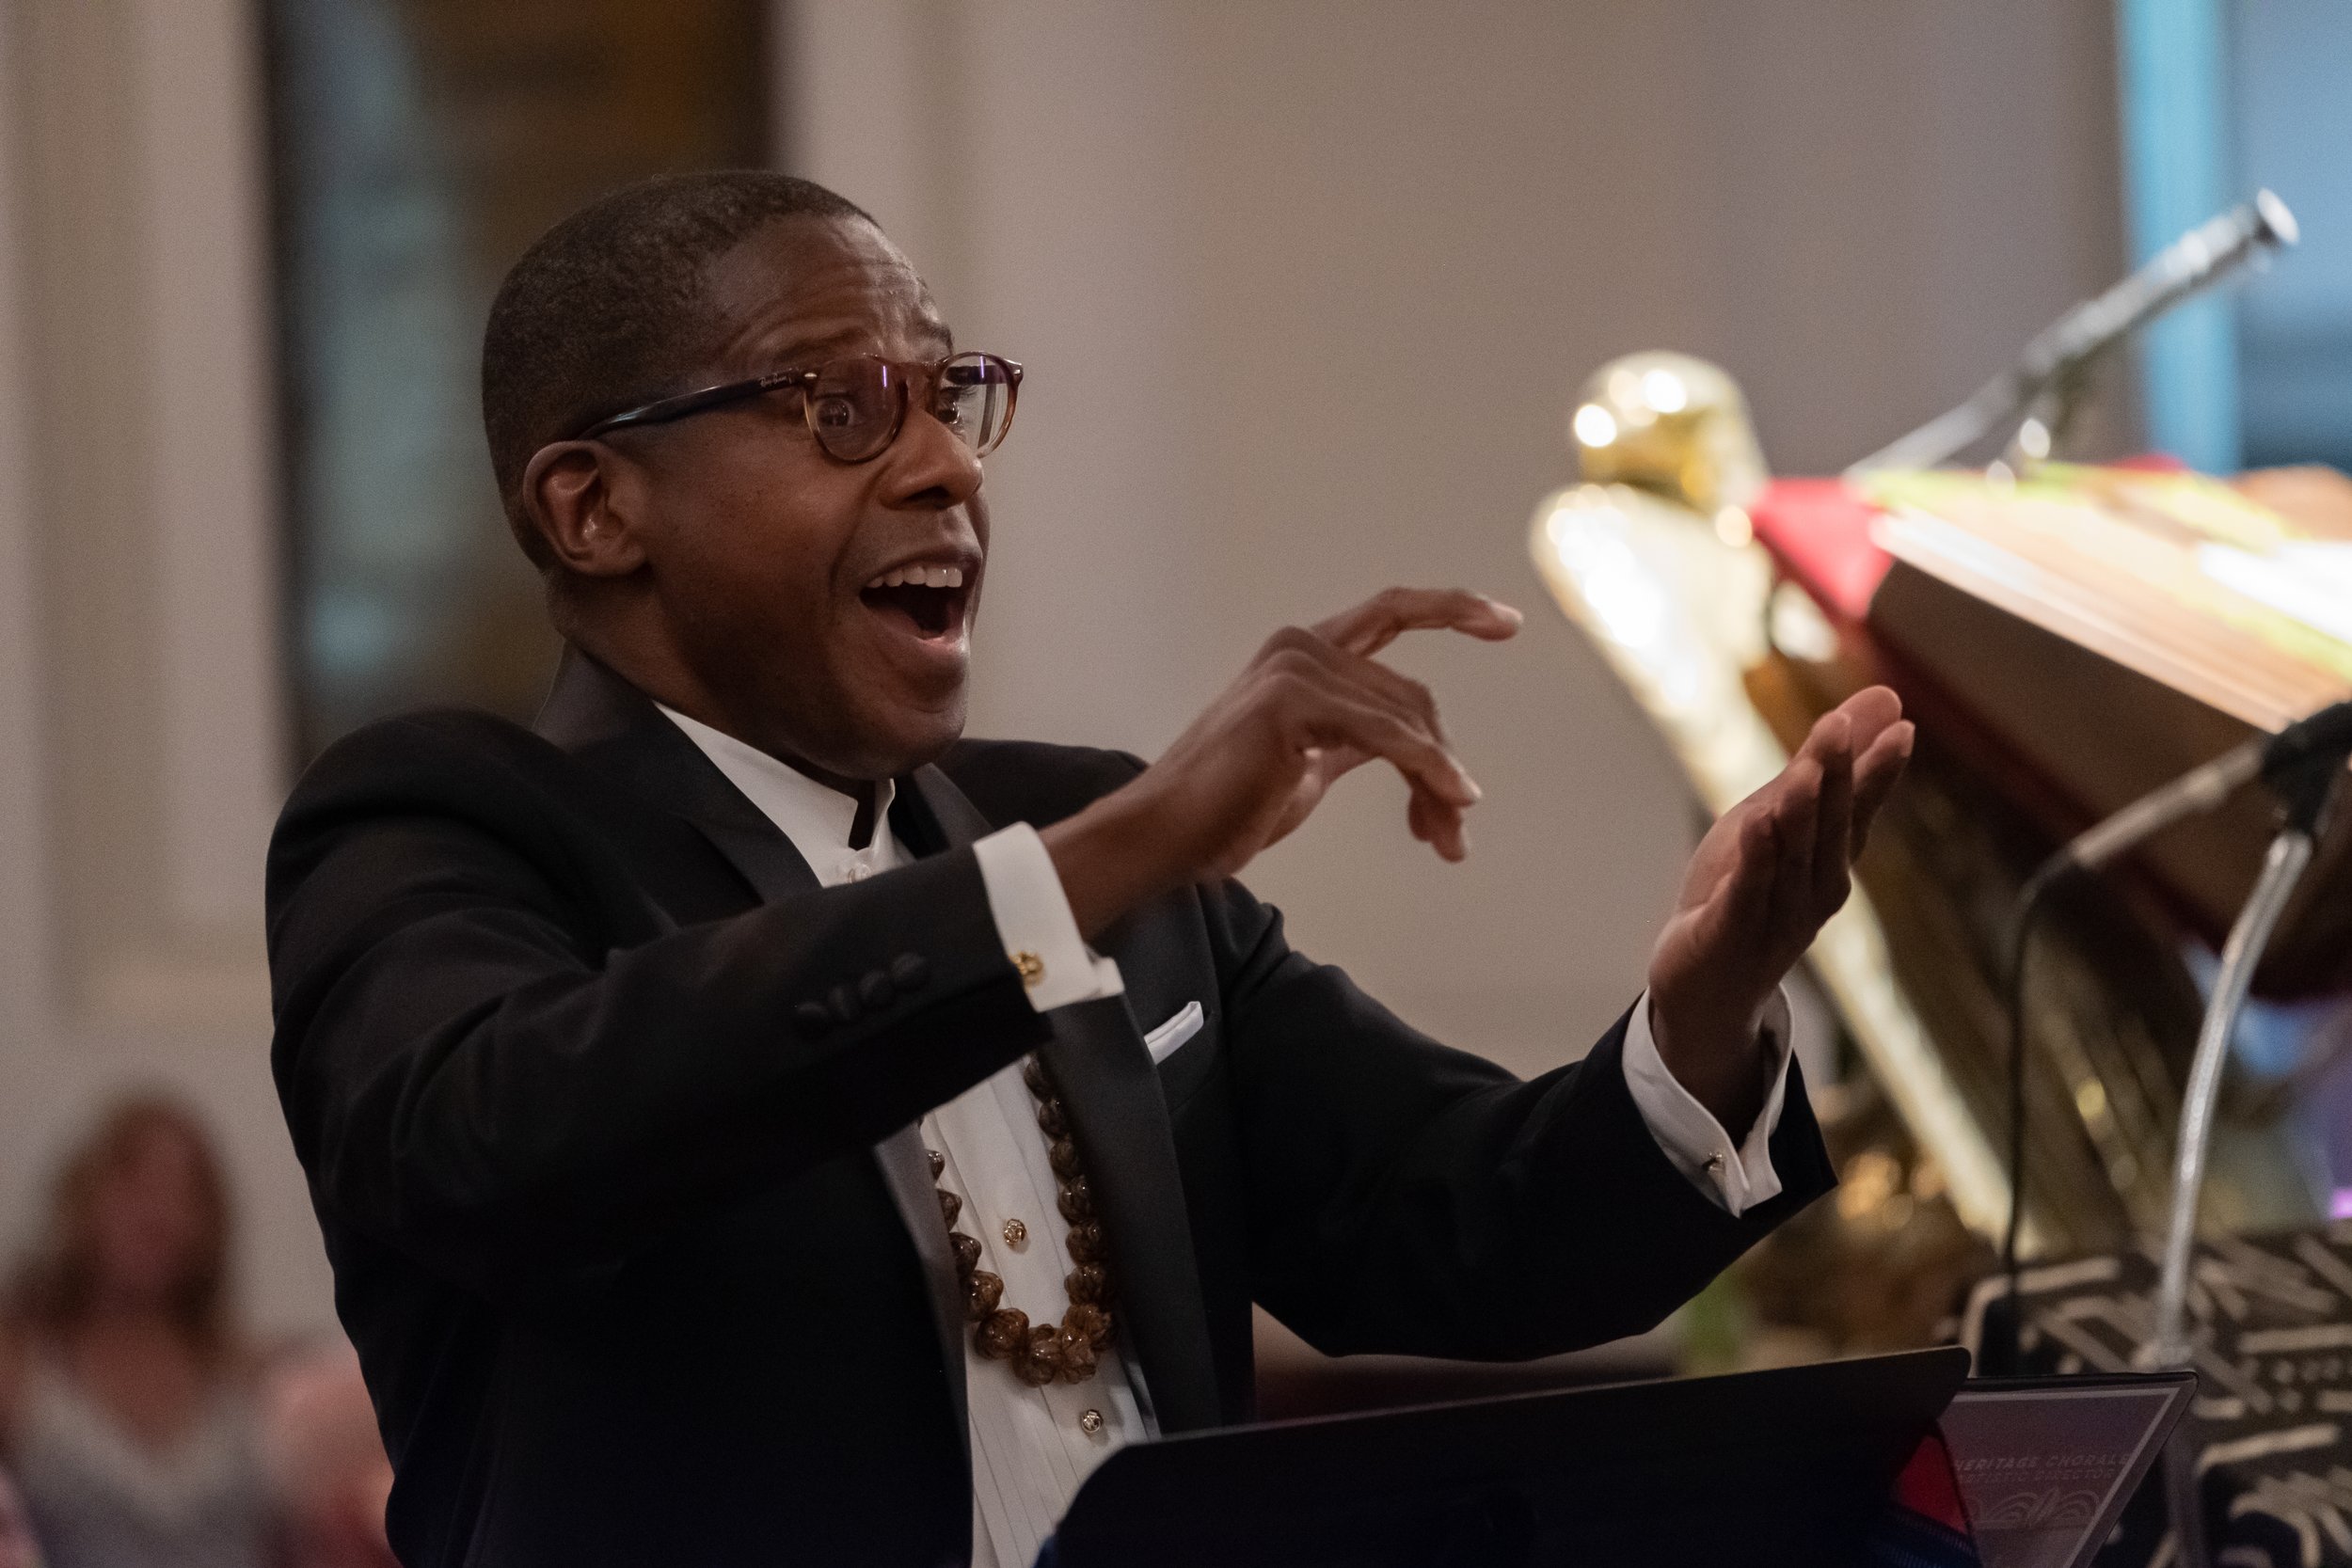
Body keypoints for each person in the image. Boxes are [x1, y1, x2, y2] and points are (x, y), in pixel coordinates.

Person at [265, 170, 1915, 1568]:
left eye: (951, 393)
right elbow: (501, 1135)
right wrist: (1105, 864)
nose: (947, 468)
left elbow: (1465, 1222)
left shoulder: (1088, 834)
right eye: (841, 406)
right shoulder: (445, 822)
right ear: (593, 505)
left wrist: (1702, 1023)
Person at [0, 1098, 275, 1568]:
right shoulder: (19, 1363)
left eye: (181, 1194)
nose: (155, 1214)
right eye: (134, 1185)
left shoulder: (245, 1372)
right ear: (84, 1194)